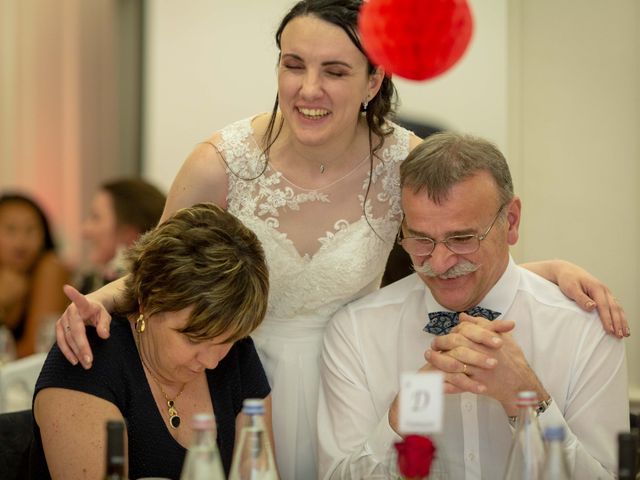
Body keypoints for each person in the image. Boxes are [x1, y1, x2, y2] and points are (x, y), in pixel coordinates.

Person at [54, 1, 628, 478]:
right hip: (239, 373)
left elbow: (459, 240)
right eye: (293, 64)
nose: (309, 89)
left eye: (334, 70)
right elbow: (162, 270)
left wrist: (545, 273)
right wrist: (95, 305)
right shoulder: (221, 162)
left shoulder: (402, 161)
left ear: (373, 80)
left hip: (348, 377)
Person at [317, 132, 629, 479]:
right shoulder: (356, 331)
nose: (439, 262)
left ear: (510, 222)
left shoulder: (585, 328)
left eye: (462, 239)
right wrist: (398, 421)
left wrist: (529, 401)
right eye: (421, 239)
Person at [32, 203, 272, 479]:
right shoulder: (87, 363)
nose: (211, 360)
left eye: (226, 340)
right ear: (147, 301)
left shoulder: (236, 353)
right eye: (194, 338)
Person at [0, 193, 69, 357]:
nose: (21, 242)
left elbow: (35, 350)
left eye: (30, 230)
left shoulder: (50, 267)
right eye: (11, 230)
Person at [78, 177, 166, 294]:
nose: (85, 231)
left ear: (130, 233)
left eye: (96, 217)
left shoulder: (150, 299)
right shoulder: (89, 283)